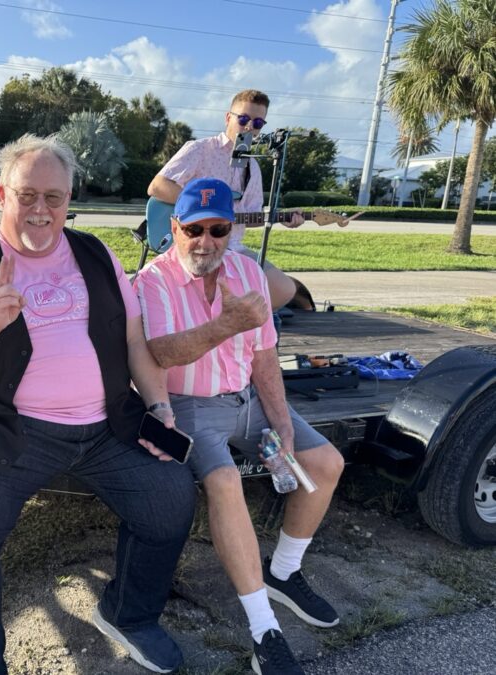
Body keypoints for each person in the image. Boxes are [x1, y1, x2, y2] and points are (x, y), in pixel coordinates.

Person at [0, 133, 197, 674]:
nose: (41, 210)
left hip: (105, 426)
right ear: (2, 196)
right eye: (27, 195)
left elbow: (136, 341)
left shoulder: (95, 252)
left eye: (55, 197)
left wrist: (159, 406)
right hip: (3, 432)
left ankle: (130, 615)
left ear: (70, 200)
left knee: (169, 500)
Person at [134, 177, 345, 675]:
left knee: (325, 462)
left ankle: (284, 571)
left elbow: (265, 356)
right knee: (226, 481)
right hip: (186, 404)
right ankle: (262, 629)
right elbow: (160, 354)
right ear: (174, 226)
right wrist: (226, 323)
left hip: (245, 397)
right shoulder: (153, 280)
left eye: (219, 229)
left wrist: (282, 424)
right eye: (195, 230)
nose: (205, 242)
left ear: (231, 230)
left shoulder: (248, 271)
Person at [147, 89, 303, 309]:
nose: (249, 127)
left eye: (258, 123)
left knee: (284, 289)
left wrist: (280, 216)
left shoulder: (253, 167)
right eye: (243, 119)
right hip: (197, 240)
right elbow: (157, 186)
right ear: (228, 117)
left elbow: (251, 215)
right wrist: (203, 207)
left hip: (234, 247)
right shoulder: (200, 149)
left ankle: (231, 330)